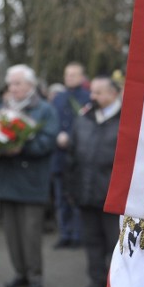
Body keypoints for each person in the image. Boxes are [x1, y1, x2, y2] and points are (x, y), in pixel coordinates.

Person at [0, 64, 58, 287]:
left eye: (17, 83)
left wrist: (22, 147)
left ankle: (34, 274)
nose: (13, 88)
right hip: (6, 180)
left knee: (30, 234)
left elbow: (48, 142)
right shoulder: (0, 110)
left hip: (31, 182)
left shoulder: (44, 110)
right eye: (10, 84)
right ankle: (19, 272)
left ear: (30, 85)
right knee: (11, 233)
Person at [65, 75, 122, 287]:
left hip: (112, 196)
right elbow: (71, 156)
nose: (92, 96)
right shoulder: (84, 119)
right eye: (93, 92)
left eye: (98, 92)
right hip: (86, 193)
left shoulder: (127, 121)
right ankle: (96, 281)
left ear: (113, 93)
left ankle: (117, 285)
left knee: (115, 243)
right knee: (92, 241)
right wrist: (72, 189)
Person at [51, 62, 91, 250]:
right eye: (67, 75)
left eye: (74, 75)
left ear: (82, 77)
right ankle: (64, 233)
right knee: (61, 199)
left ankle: (78, 234)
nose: (70, 78)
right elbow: (52, 121)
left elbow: (89, 126)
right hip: (59, 157)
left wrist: (72, 137)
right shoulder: (58, 98)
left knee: (76, 199)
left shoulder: (88, 98)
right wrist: (57, 134)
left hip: (79, 157)